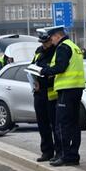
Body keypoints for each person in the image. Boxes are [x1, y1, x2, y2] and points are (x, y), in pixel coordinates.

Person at [40, 26, 85, 166]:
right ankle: (73, 155)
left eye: (52, 37)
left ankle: (65, 156)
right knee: (74, 124)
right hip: (76, 89)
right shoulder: (74, 46)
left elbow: (61, 67)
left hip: (66, 89)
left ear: (57, 36)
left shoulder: (63, 47)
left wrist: (44, 71)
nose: (51, 40)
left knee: (62, 124)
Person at [31, 29, 59, 162]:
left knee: (55, 124)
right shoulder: (39, 51)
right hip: (39, 91)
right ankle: (46, 152)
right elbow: (32, 66)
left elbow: (57, 69)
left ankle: (58, 152)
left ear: (51, 40)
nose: (44, 45)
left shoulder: (56, 50)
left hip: (52, 92)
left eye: (46, 42)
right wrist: (34, 80)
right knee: (42, 124)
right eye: (42, 42)